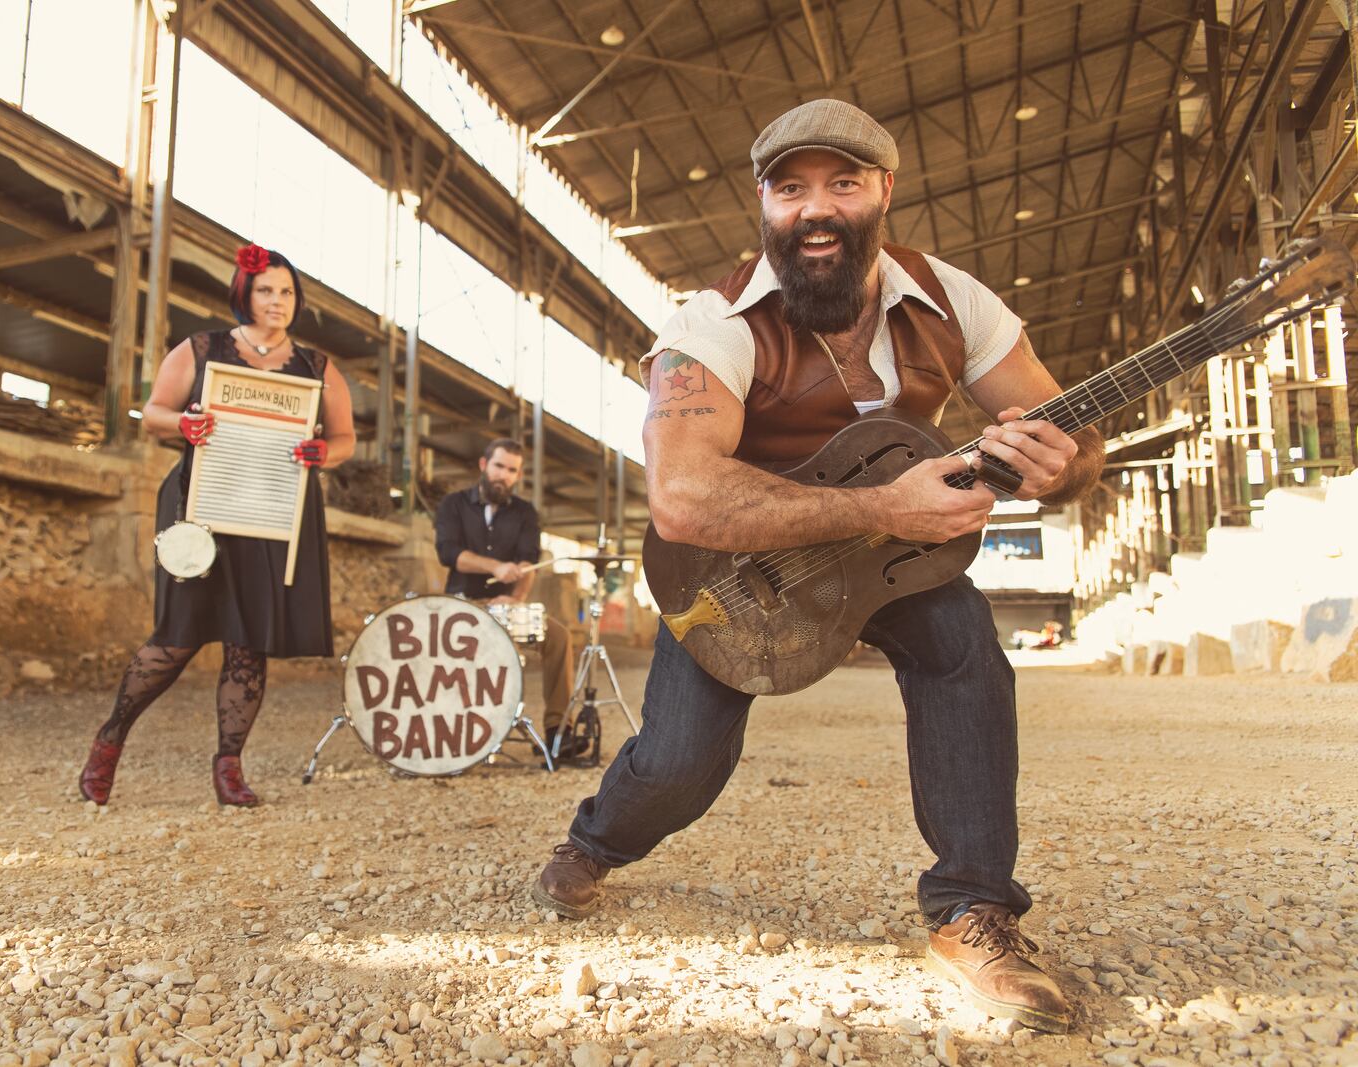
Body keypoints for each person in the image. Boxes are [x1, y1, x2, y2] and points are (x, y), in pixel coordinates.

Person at [531, 100, 1105, 1034]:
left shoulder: (956, 301)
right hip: (733, 574)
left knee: (965, 647)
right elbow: (681, 499)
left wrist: (1064, 461)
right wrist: (885, 504)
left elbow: (1073, 432)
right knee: (680, 763)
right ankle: (594, 839)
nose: (816, 209)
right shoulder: (709, 324)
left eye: (842, 182)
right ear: (764, 203)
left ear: (884, 190)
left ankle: (972, 907)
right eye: (790, 188)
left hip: (894, 566)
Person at [78, 244, 355, 807]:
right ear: (244, 294)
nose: (277, 302)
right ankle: (109, 740)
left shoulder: (317, 369)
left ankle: (229, 764)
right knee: (174, 640)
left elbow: (345, 438)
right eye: (266, 291)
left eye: (287, 292)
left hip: (276, 512)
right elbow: (153, 412)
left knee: (249, 645)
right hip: (202, 508)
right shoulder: (201, 350)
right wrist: (185, 421)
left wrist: (323, 451)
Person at [433, 439, 585, 760]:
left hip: (507, 605)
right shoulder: (453, 505)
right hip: (463, 603)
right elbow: (449, 554)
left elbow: (528, 562)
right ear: (483, 465)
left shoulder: (526, 513)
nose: (503, 475)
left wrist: (515, 597)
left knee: (558, 636)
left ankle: (559, 731)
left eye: (512, 470)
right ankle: (460, 731)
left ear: (518, 476)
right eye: (499, 466)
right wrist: (495, 567)